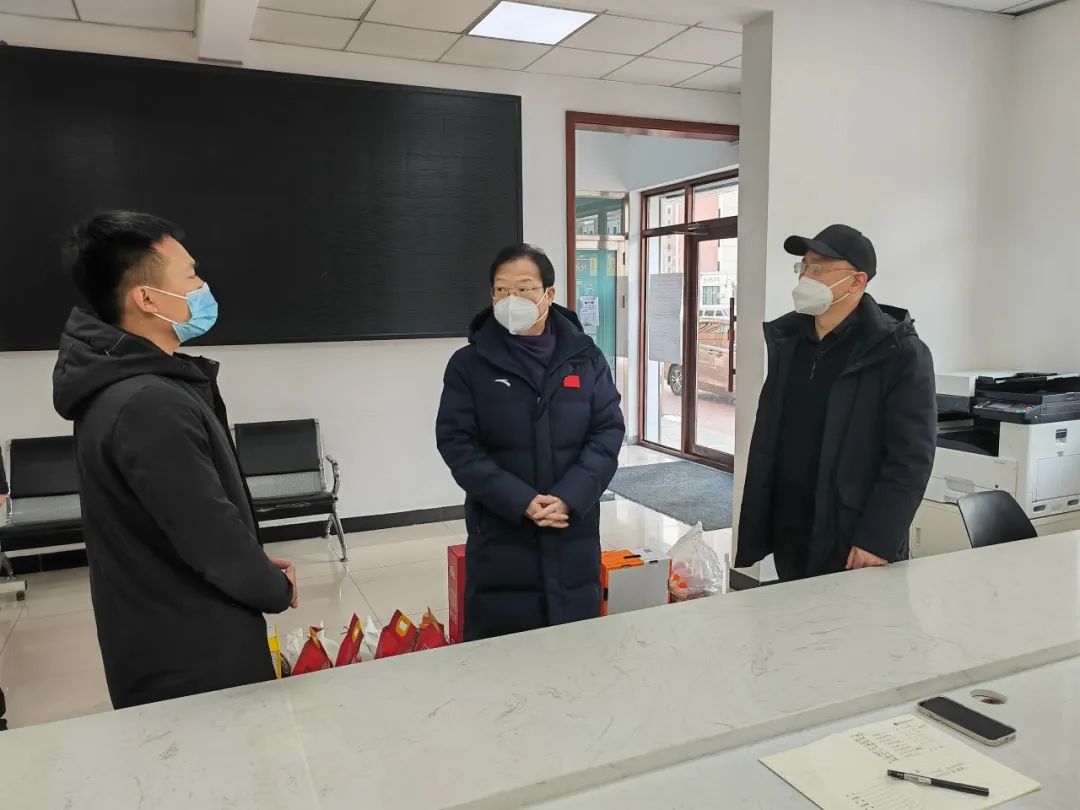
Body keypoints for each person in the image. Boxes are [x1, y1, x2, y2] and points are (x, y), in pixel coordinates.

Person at [52, 211, 299, 709]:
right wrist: (271, 586)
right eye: (190, 275)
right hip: (192, 655)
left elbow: (172, 519)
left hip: (160, 627)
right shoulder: (148, 403)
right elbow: (209, 532)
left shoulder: (129, 386)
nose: (202, 287)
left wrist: (249, 561)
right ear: (146, 298)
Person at [436, 244, 625, 640]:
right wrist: (520, 499)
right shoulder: (469, 364)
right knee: (504, 653)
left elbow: (607, 430)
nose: (511, 299)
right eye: (501, 290)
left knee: (574, 648)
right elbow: (457, 443)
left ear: (548, 294)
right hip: (502, 527)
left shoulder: (586, 358)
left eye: (523, 289)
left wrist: (570, 496)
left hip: (571, 527)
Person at [736, 224, 936, 581]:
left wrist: (877, 538)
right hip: (792, 527)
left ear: (857, 282)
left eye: (818, 267)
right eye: (803, 266)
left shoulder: (899, 353)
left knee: (850, 618)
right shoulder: (790, 341)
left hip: (853, 537)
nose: (806, 277)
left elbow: (911, 459)